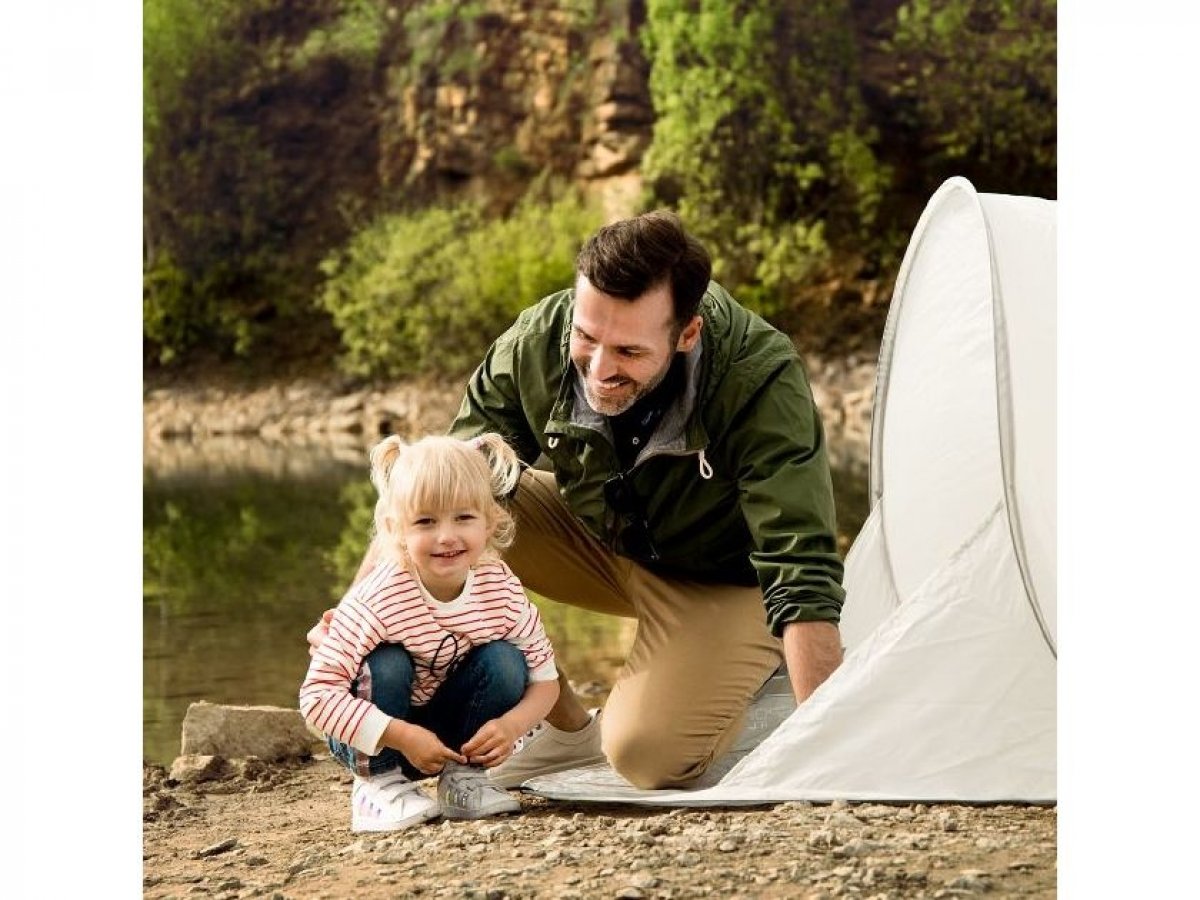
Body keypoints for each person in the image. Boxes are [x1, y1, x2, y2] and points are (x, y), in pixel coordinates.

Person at [310, 209, 846, 792]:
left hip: (724, 583)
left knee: (643, 756)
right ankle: (567, 730)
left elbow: (802, 568)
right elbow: (431, 485)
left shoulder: (760, 378)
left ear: (686, 333)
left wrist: (830, 748)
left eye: (629, 352)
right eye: (587, 337)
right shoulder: (538, 341)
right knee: (464, 511)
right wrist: (360, 611)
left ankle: (761, 674)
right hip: (605, 546)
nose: (599, 369)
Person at [299, 433, 560, 832]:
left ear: (490, 522)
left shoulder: (500, 589)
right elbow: (316, 698)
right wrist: (401, 735)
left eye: (463, 517)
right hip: (375, 735)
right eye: (425, 521)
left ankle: (463, 778)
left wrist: (511, 727)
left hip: (441, 738)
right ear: (397, 529)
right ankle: (378, 787)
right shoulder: (379, 598)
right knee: (387, 663)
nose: (446, 536)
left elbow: (546, 683)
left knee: (506, 660)